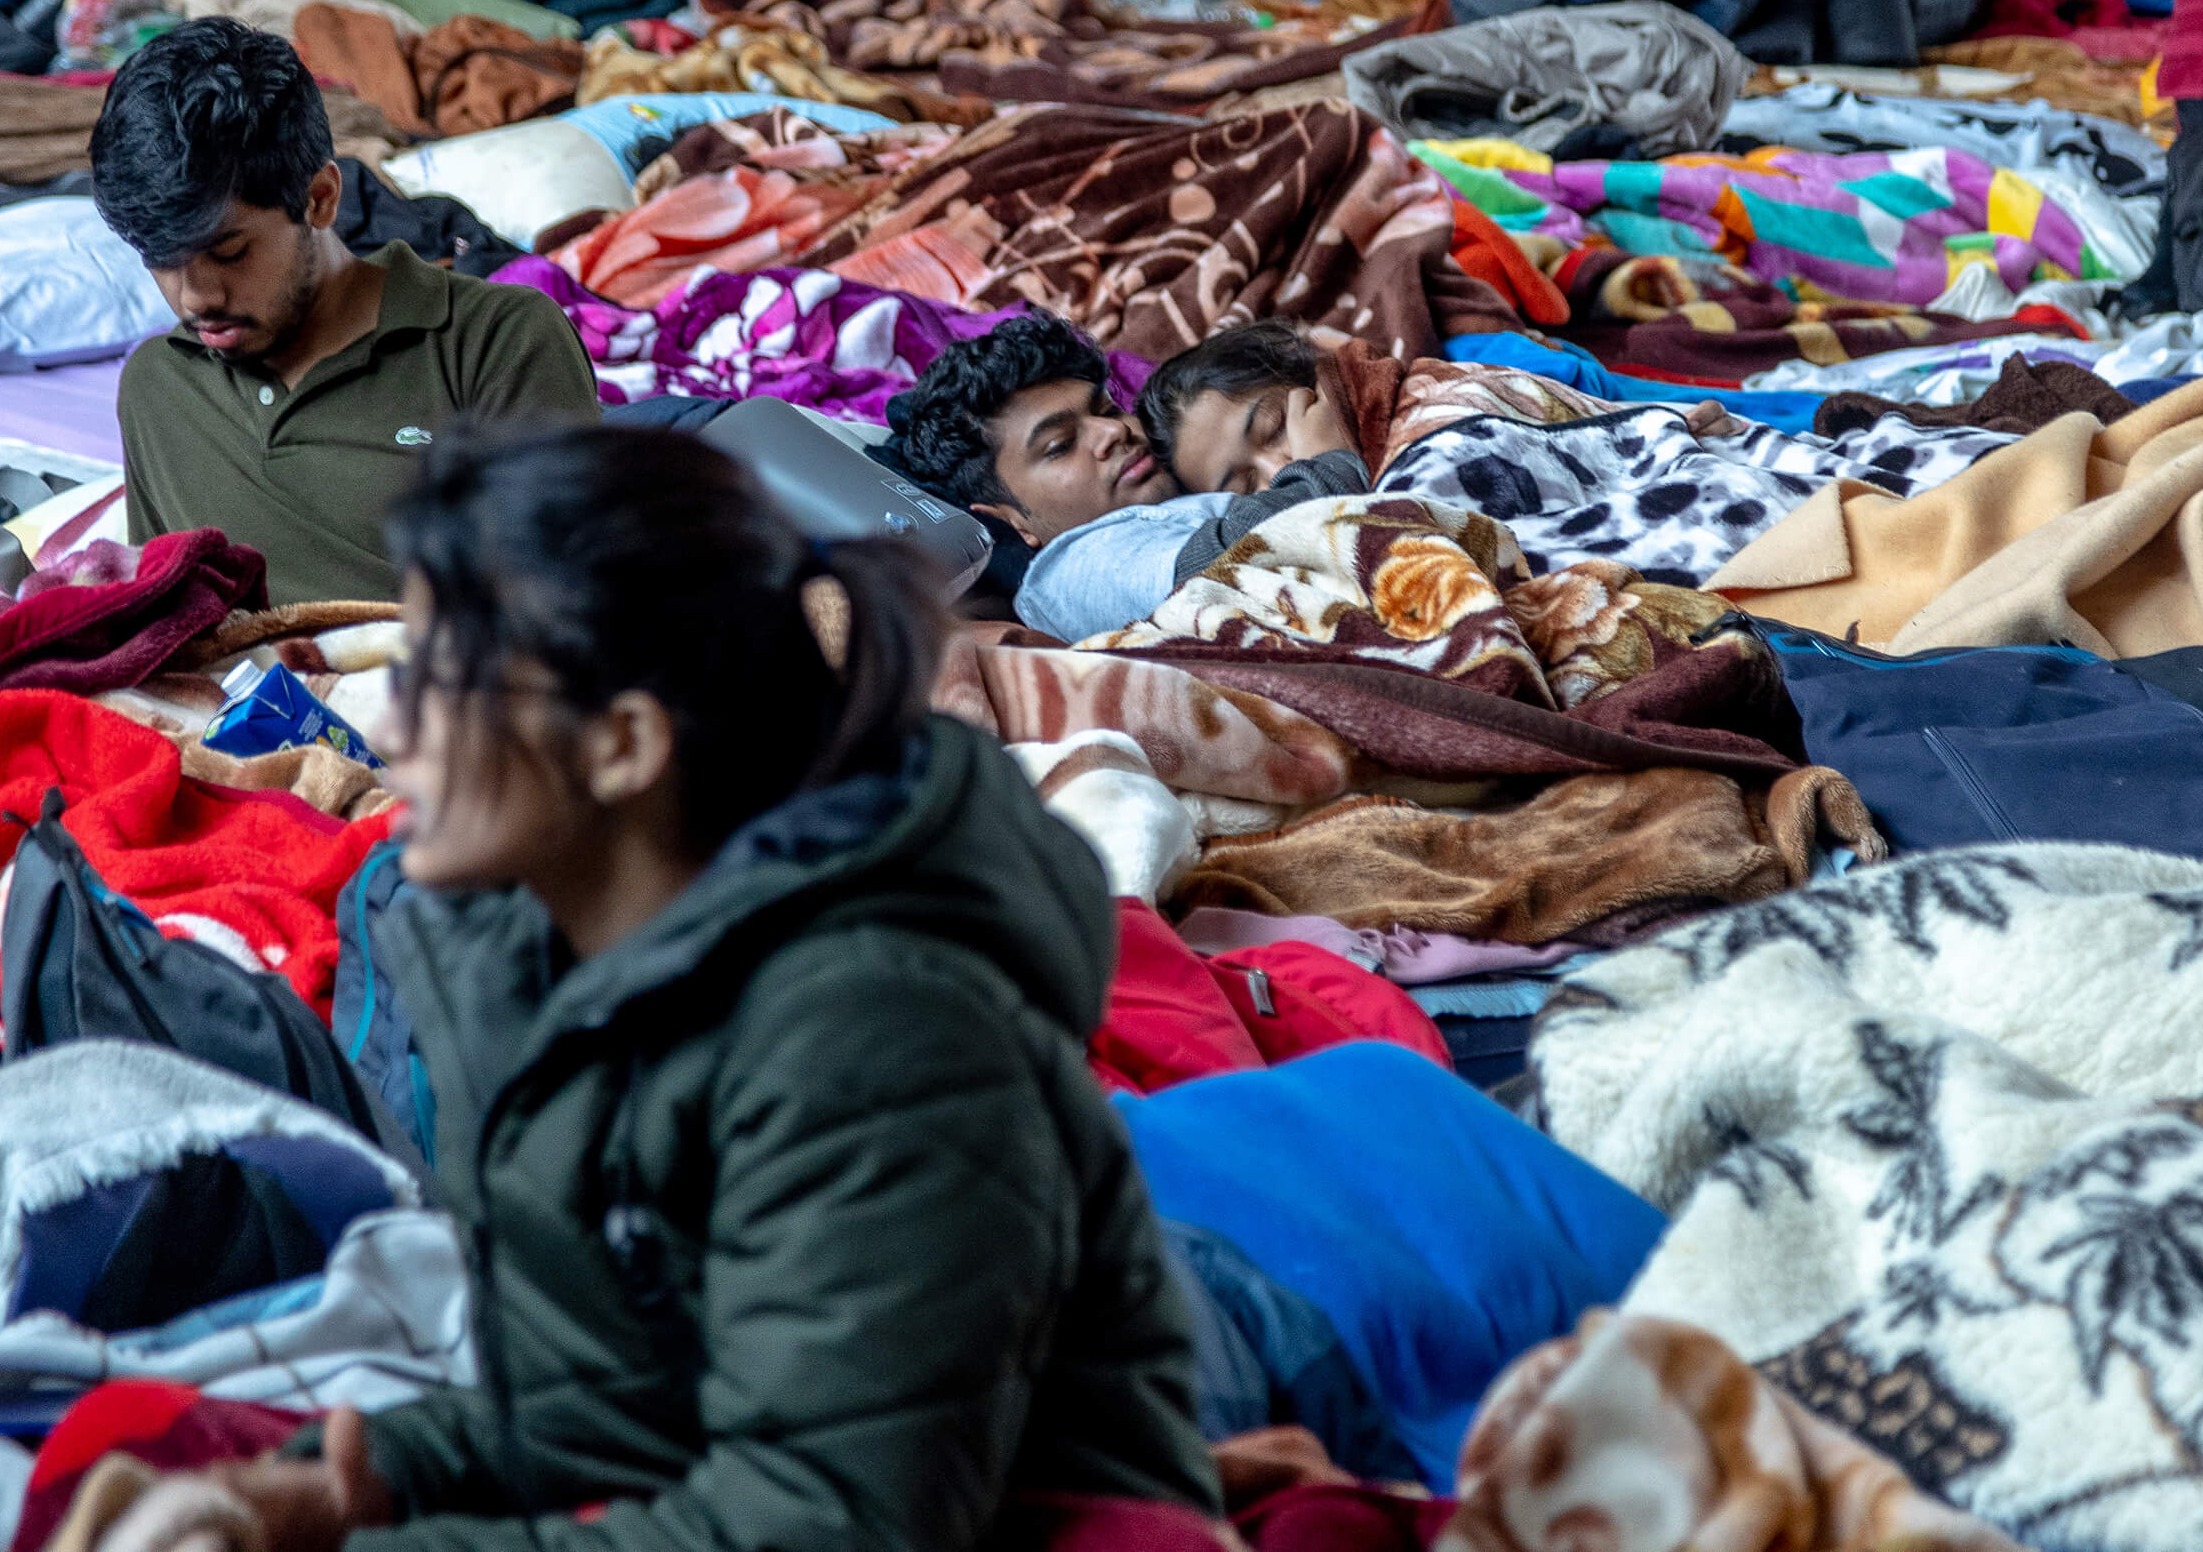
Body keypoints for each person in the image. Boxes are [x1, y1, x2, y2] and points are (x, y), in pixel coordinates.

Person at [108, 426, 1221, 1552]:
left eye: (449, 679)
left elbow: (829, 1520)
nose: (393, 724)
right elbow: (615, 1394)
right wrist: (339, 1489)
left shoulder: (873, 1034)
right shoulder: (514, 947)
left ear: (625, 745)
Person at [92, 18, 600, 605]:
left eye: (228, 253)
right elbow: (167, 627)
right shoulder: (159, 387)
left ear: (320, 200)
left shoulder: (494, 343)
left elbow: (562, 625)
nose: (195, 298)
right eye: (160, 260)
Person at [886, 313, 1369, 643]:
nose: (1113, 432)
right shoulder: (1070, 572)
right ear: (1013, 521)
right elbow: (1237, 561)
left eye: (1106, 408)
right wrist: (1329, 462)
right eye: (1060, 446)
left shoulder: (1175, 485)